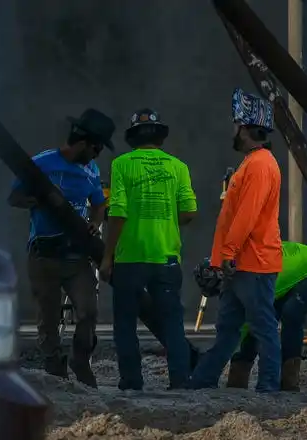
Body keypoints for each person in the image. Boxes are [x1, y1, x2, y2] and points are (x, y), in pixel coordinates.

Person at [7, 108, 115, 388]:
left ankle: (80, 359)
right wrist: (36, 201)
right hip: (44, 254)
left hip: (77, 255)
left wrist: (94, 220)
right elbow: (14, 196)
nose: (98, 153)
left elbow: (100, 202)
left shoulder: (91, 170)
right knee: (49, 318)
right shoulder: (42, 164)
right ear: (82, 142)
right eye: (97, 147)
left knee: (88, 311)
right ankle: (56, 369)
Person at [188, 88, 283, 392]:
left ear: (245, 128)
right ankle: (203, 380)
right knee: (228, 330)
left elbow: (246, 216)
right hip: (240, 265)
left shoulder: (259, 166)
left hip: (252, 264)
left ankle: (269, 387)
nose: (232, 130)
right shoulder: (254, 163)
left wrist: (226, 254)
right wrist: (222, 260)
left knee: (263, 328)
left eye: (235, 124)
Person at [99, 108, 197, 391]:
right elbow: (189, 213)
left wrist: (108, 256)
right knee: (172, 323)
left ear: (132, 138)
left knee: (126, 324)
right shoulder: (178, 167)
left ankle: (132, 382)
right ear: (160, 137)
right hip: (166, 257)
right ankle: (180, 380)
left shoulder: (122, 165)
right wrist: (165, 218)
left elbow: (117, 212)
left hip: (130, 258)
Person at [194, 241, 307, 391]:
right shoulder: (237, 267)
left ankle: (289, 382)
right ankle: (237, 382)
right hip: (286, 274)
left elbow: (250, 320)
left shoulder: (253, 276)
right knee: (258, 321)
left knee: (290, 315)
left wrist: (223, 350)